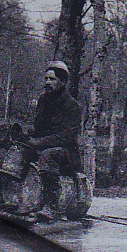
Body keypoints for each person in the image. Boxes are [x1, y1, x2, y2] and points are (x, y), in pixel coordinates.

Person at [25, 61, 82, 222]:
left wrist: (39, 142)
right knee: (13, 149)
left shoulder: (73, 106)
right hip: (43, 145)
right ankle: (4, 198)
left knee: (48, 155)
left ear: (63, 82)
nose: (47, 83)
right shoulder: (43, 101)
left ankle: (52, 206)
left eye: (52, 79)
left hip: (66, 154)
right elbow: (38, 127)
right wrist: (27, 137)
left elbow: (67, 138)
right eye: (46, 79)